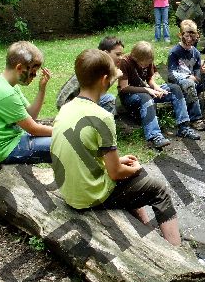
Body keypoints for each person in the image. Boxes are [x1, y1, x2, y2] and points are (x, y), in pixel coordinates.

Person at [51, 49, 182, 246]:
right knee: (158, 189)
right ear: (105, 80)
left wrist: (120, 163)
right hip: (89, 197)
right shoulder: (102, 117)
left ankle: (148, 233)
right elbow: (116, 173)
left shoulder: (66, 109)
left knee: (134, 179)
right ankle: (177, 251)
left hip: (70, 191)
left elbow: (83, 151)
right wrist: (134, 168)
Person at [0, 41, 53, 164]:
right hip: (5, 150)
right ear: (19, 68)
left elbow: (31, 115)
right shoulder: (4, 93)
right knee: (64, 142)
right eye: (32, 72)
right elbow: (33, 129)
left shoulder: (8, 85)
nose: (34, 76)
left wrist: (41, 89)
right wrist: (61, 130)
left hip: (14, 140)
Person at [118, 41, 200, 148]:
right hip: (129, 95)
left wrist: (157, 88)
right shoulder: (125, 62)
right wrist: (147, 90)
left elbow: (149, 79)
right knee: (146, 98)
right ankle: (155, 136)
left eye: (149, 63)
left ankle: (183, 127)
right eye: (145, 64)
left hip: (146, 90)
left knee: (175, 89)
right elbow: (124, 88)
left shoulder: (148, 59)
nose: (147, 65)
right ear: (136, 58)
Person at [168, 19, 205, 126]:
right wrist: (188, 77)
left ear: (197, 35)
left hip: (195, 81)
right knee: (189, 83)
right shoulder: (174, 52)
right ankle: (195, 118)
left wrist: (200, 72)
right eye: (187, 35)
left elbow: (197, 74)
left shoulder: (195, 52)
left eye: (193, 35)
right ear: (180, 35)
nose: (190, 38)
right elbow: (171, 74)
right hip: (182, 84)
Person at [56, 36, 125, 114]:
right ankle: (102, 123)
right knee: (110, 100)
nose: (121, 58)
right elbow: (99, 91)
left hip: (77, 101)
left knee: (108, 98)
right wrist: (115, 76)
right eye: (118, 54)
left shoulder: (97, 62)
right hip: (69, 105)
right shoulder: (97, 66)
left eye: (122, 54)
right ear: (106, 53)